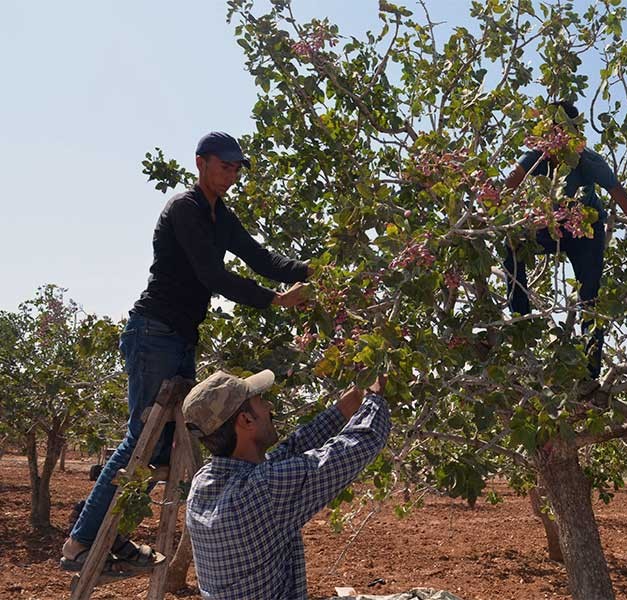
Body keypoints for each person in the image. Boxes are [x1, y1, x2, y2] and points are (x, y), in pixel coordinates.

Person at [62, 131, 312, 574]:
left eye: (237, 169)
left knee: (159, 450)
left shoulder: (222, 217)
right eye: (225, 166)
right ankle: (82, 543)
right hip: (153, 332)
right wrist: (273, 301)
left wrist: (316, 270)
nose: (231, 175)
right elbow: (212, 275)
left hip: (180, 337)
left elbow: (262, 259)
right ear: (201, 162)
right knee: (140, 443)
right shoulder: (185, 209)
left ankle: (102, 525)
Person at [502, 101, 627, 376]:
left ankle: (589, 374)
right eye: (552, 132)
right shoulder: (536, 157)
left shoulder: (589, 161)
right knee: (510, 244)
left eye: (564, 132)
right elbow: (505, 190)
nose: (557, 139)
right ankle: (519, 324)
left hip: (586, 230)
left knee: (589, 297)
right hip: (550, 226)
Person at [183, 369, 391, 600]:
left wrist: (342, 411)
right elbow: (359, 445)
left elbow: (288, 452)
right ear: (246, 420)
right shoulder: (266, 490)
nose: (269, 406)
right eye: (260, 401)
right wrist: (374, 398)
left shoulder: (203, 484)